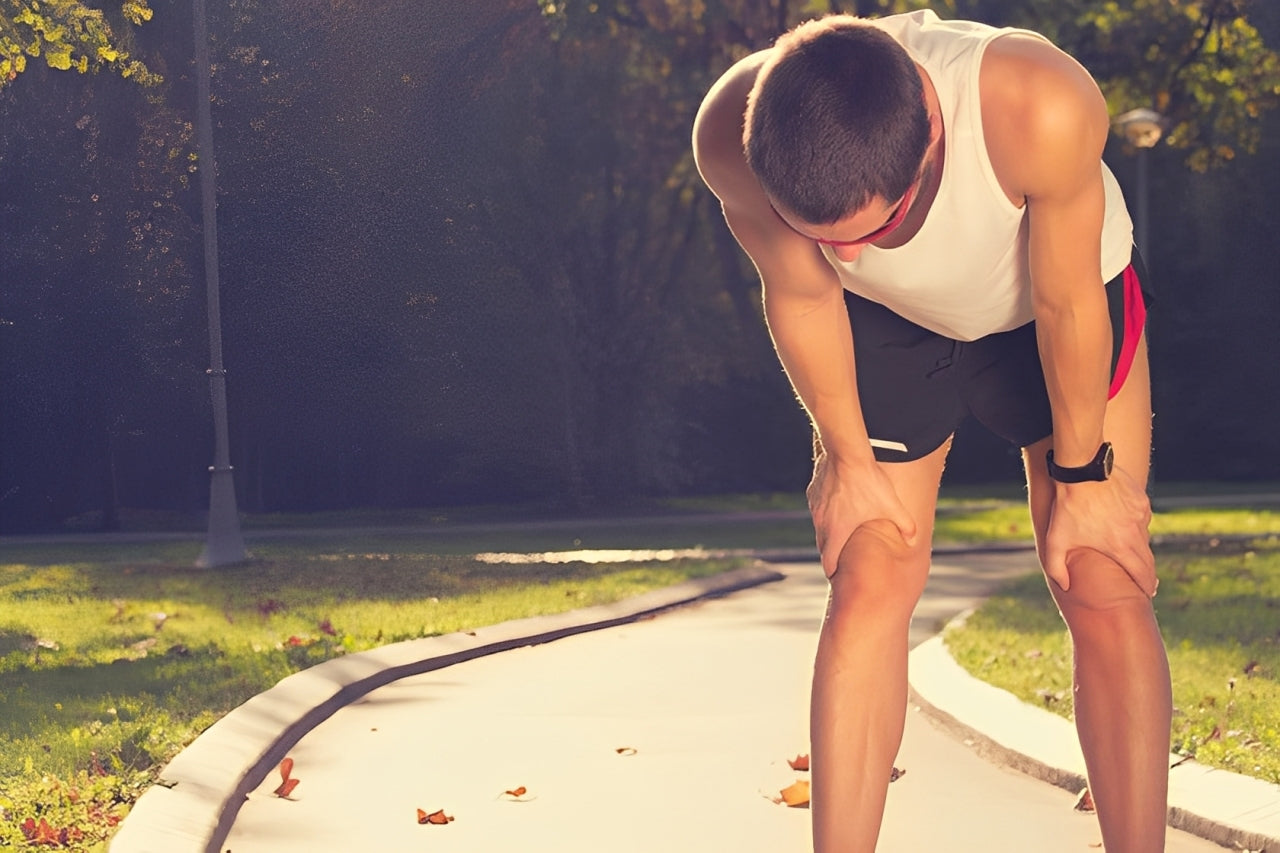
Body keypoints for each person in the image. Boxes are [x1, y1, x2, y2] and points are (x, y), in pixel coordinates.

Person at [691, 10, 1171, 853]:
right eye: (832, 239)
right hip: (884, 323)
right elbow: (806, 295)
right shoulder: (730, 136)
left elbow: (1065, 305)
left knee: (1099, 573)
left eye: (879, 229)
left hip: (1053, 306)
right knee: (868, 572)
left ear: (933, 126)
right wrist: (845, 459)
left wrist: (1086, 481)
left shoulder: (1039, 103)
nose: (858, 248)